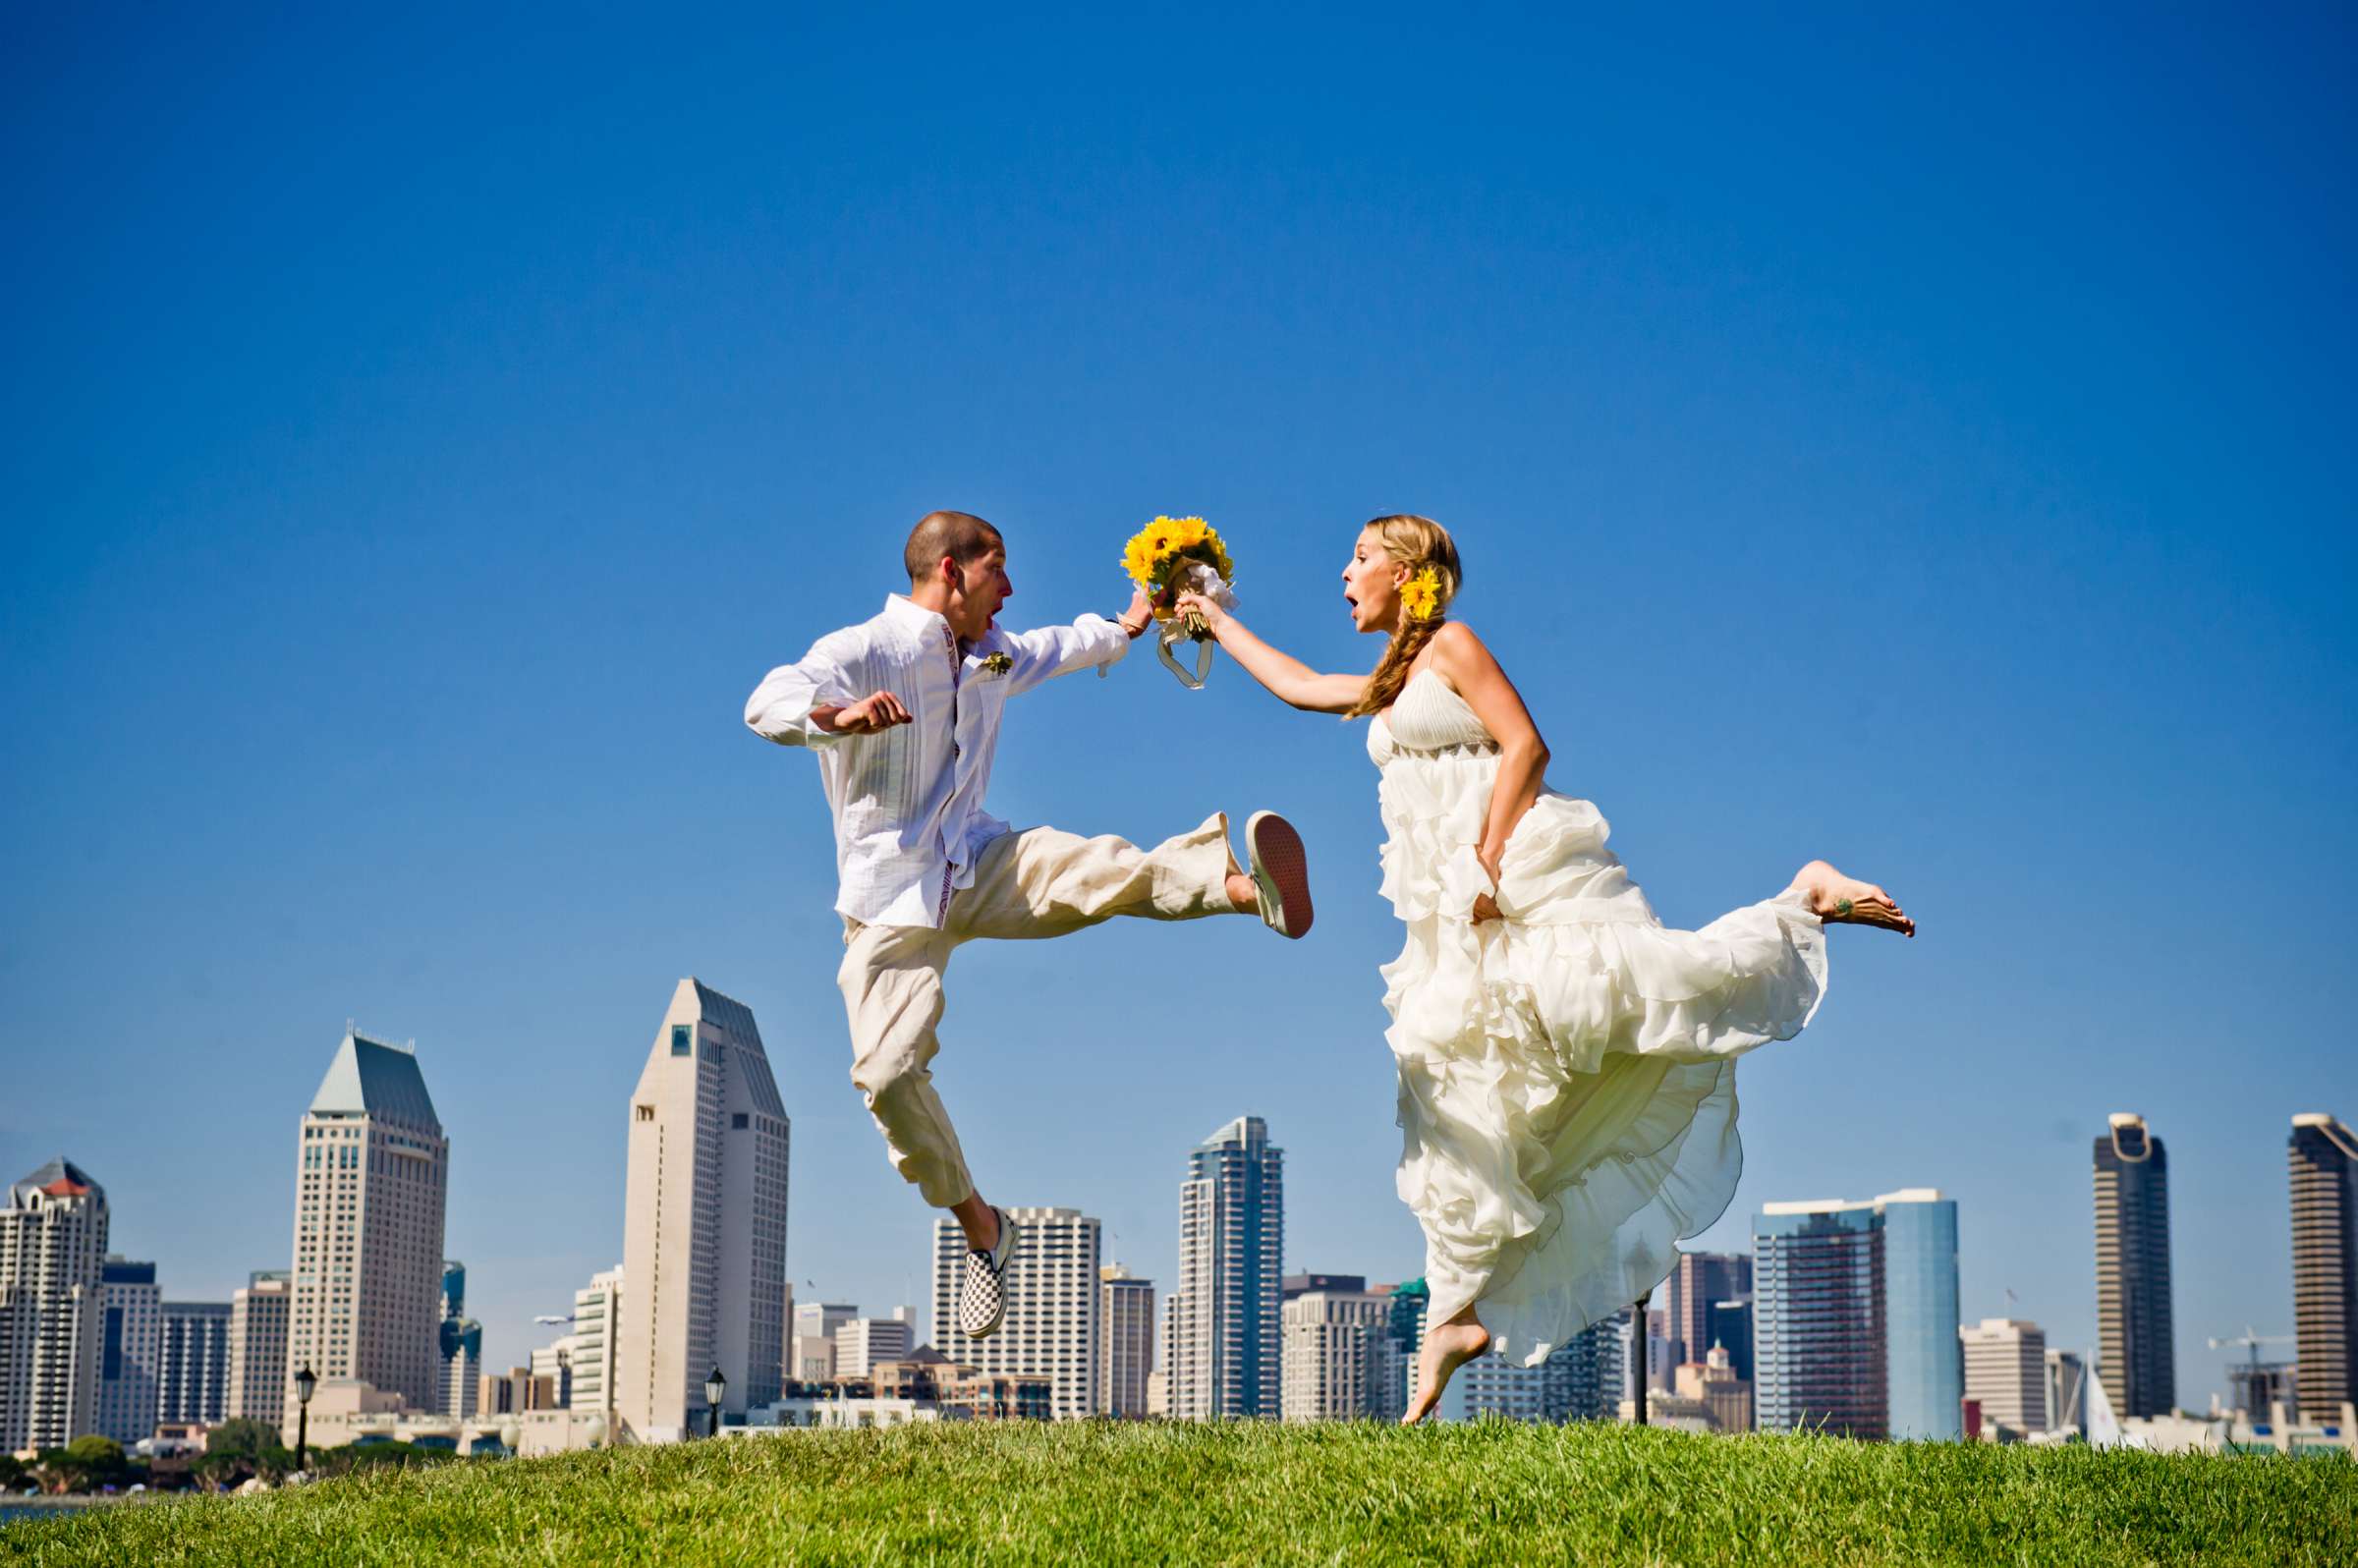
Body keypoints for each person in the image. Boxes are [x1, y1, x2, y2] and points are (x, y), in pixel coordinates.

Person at [1176, 514, 1911, 1422]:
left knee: (1642, 990)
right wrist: (1210, 617)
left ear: (1408, 571)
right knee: (1453, 1091)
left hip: (1512, 878)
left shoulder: (1452, 644)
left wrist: (1486, 862)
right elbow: (1299, 685)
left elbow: (1525, 744)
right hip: (1453, 915)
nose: (1342, 572)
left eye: (1360, 557)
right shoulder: (1393, 676)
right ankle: (1457, 1313)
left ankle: (1803, 899)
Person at [746, 510, 1314, 1340]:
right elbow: (771, 698)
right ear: (950, 571)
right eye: (997, 570)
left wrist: (1126, 625)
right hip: (889, 901)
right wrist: (833, 719)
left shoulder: (993, 652)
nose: (1009, 588)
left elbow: (1062, 644)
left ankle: (1241, 886)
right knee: (889, 1075)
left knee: (1098, 869)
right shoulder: (870, 647)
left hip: (976, 863)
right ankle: (982, 1225)